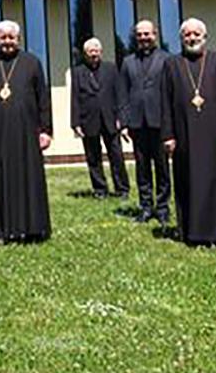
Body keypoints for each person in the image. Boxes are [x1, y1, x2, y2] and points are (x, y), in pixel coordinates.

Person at [161, 18, 216, 246]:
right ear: (181, 39)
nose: (192, 38)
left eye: (196, 34)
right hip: (185, 135)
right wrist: (168, 135)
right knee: (190, 179)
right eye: (187, 35)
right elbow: (165, 102)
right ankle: (193, 233)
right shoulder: (172, 64)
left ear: (205, 37)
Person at [0, 20, 52, 243]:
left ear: (19, 38)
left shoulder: (32, 63)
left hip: (27, 135)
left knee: (29, 179)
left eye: (11, 37)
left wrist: (45, 130)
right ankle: (2, 230)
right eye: (3, 37)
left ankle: (33, 228)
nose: (7, 41)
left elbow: (43, 100)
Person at [118, 19, 172, 223]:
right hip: (137, 124)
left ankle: (163, 207)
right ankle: (146, 207)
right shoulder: (127, 61)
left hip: (160, 123)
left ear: (155, 35)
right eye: (139, 35)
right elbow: (122, 93)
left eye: (146, 34)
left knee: (162, 168)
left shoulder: (167, 60)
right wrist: (123, 122)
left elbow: (170, 93)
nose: (143, 38)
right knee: (142, 168)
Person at [70, 37, 129, 199]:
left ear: (101, 52)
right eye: (91, 51)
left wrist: (122, 119)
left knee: (116, 156)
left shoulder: (111, 69)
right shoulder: (77, 71)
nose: (94, 54)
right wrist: (75, 123)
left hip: (110, 119)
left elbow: (120, 95)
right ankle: (100, 189)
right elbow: (74, 98)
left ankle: (122, 189)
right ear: (85, 54)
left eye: (96, 51)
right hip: (88, 120)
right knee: (93, 157)